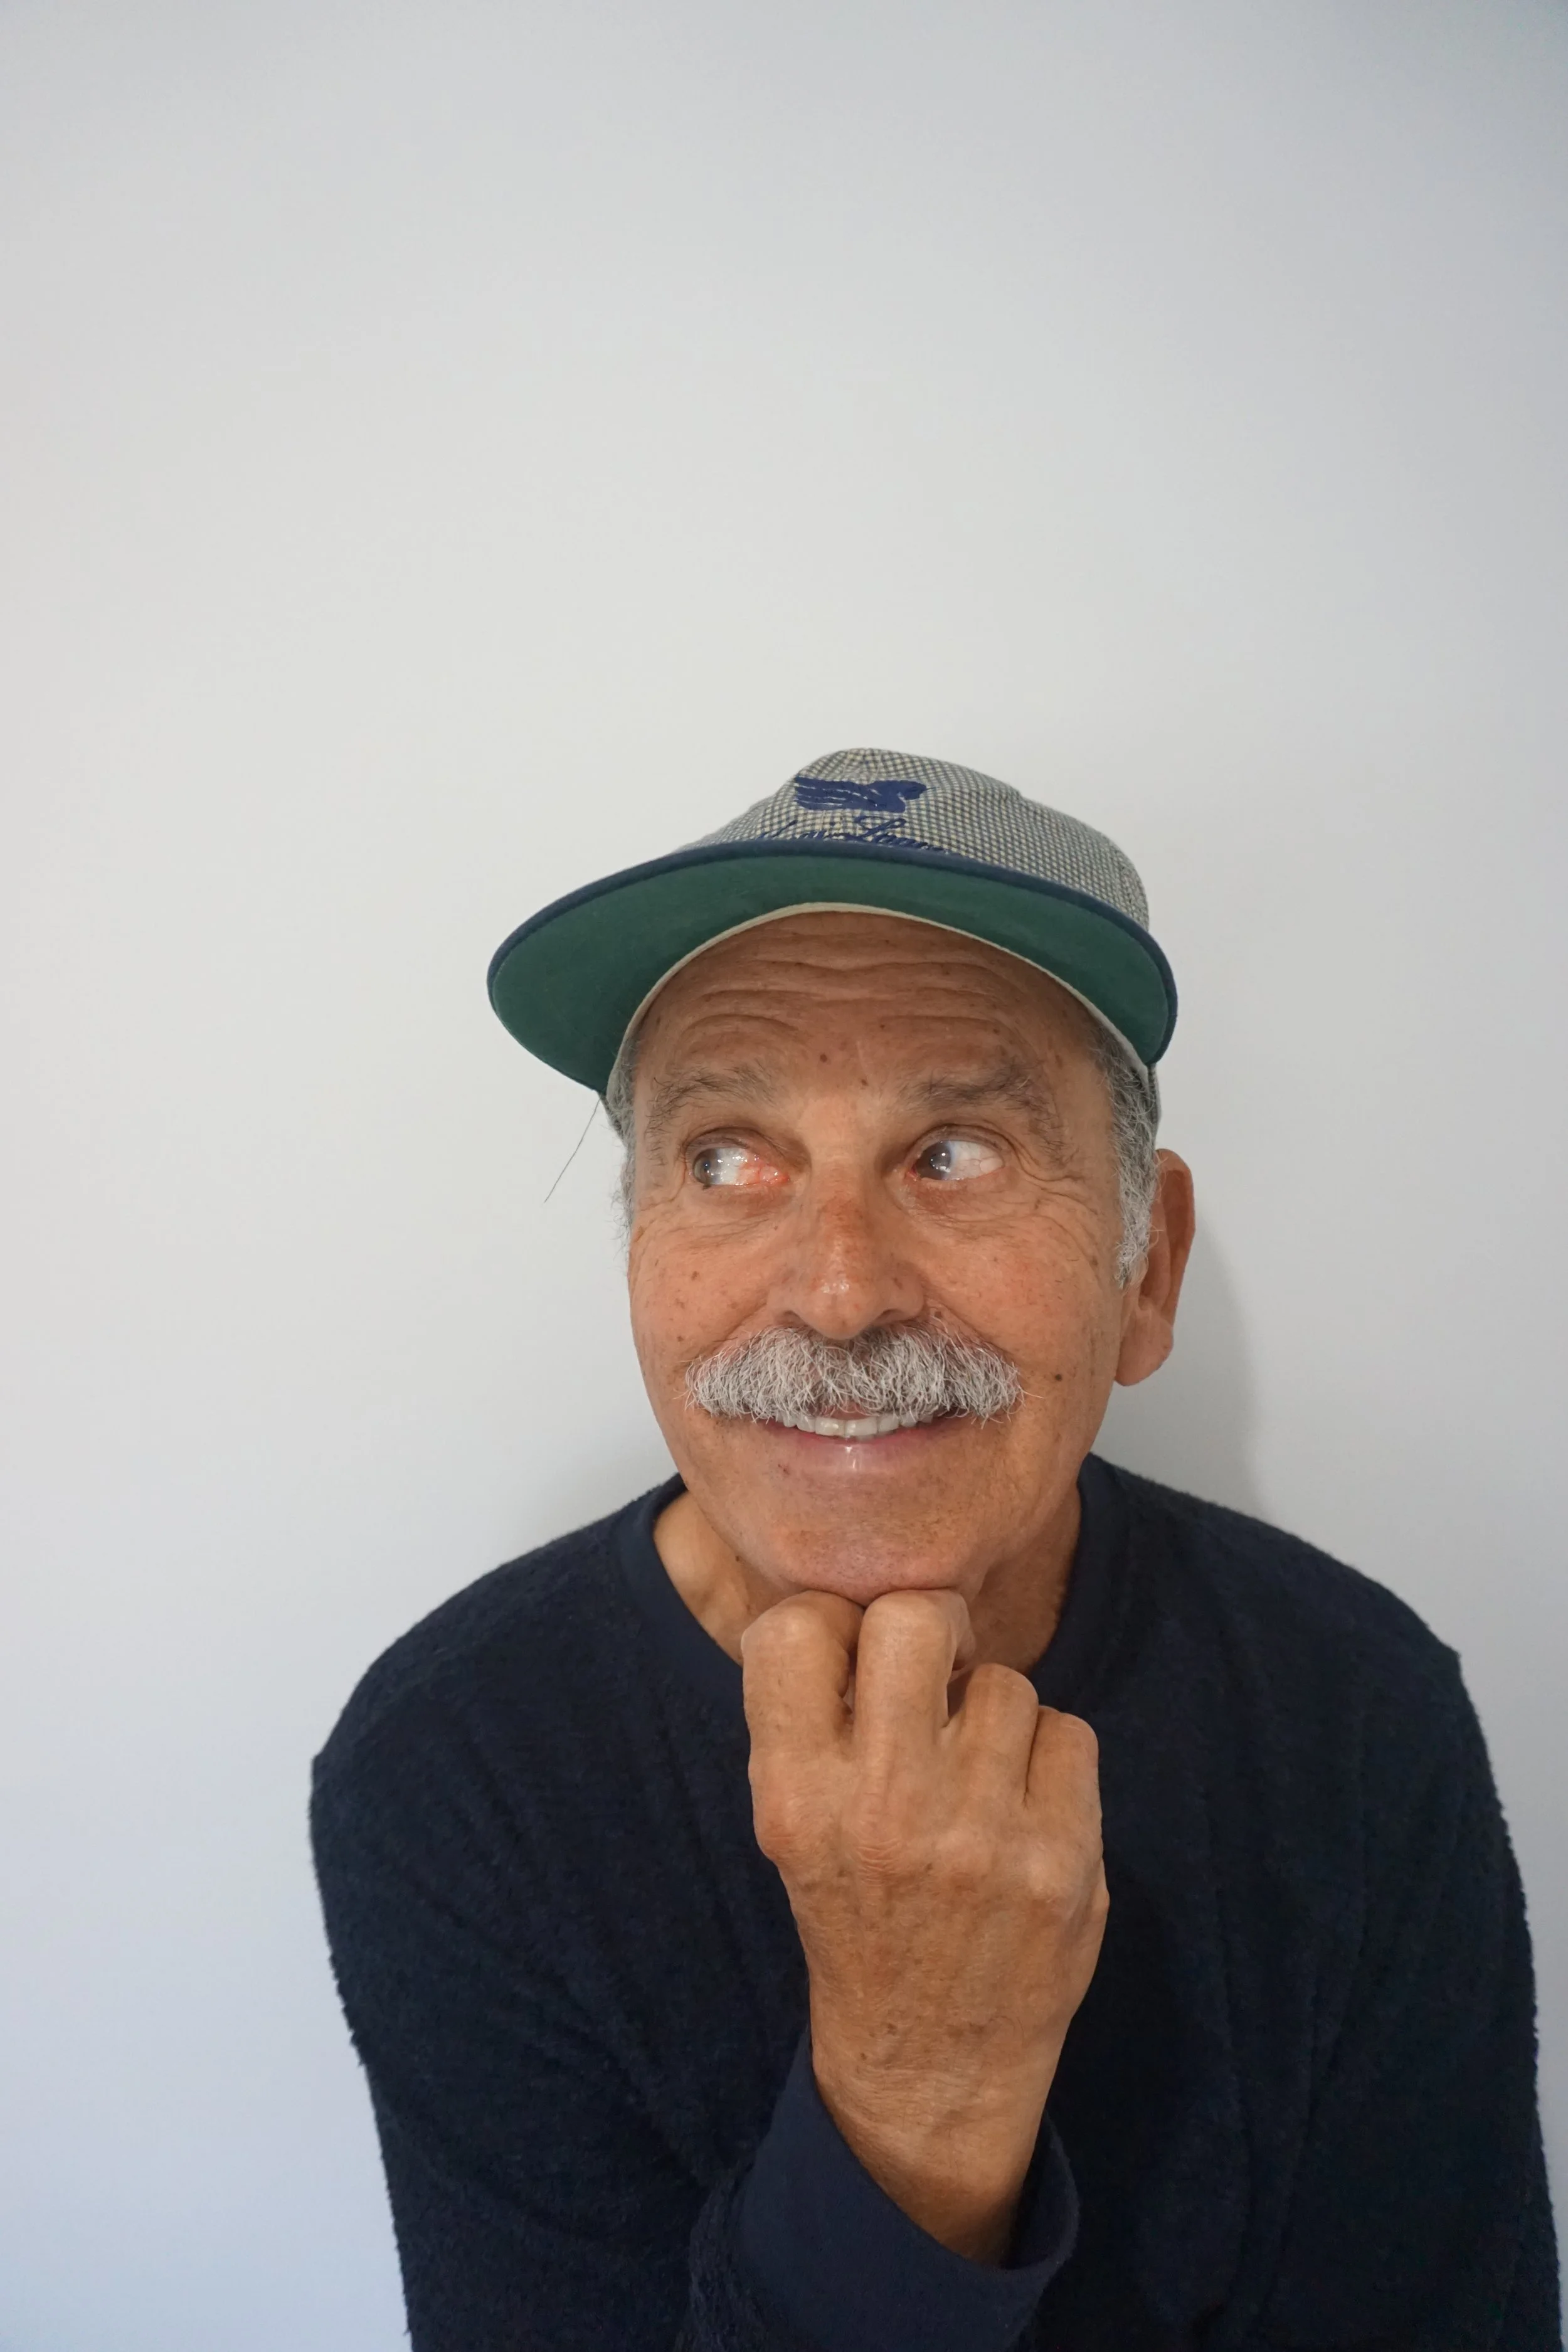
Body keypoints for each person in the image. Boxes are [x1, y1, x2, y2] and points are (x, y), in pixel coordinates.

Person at [312, 748, 1559, 2351]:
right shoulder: (457, 1767)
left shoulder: (1354, 1713)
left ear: (1146, 1269)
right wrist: (915, 2089)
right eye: (725, 1159)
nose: (838, 1293)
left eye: (952, 1154)